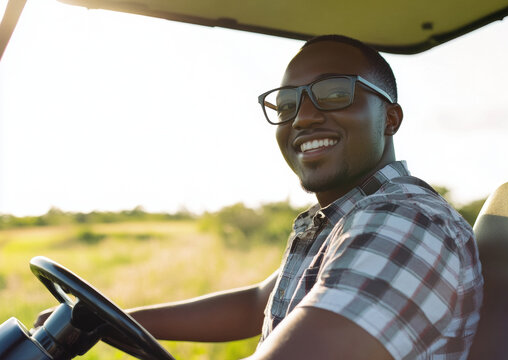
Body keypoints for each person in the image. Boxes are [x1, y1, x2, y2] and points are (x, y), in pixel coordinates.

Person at [37, 35, 484, 359]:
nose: (304, 117)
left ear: (389, 118)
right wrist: (101, 319)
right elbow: (257, 304)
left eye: (333, 94)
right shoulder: (345, 220)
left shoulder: (403, 222)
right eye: (287, 103)